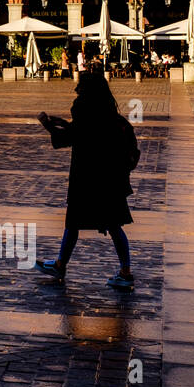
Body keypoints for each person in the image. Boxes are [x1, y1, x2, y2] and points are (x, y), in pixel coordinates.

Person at [35, 70, 139, 291]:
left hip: (88, 178)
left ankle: (63, 265)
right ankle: (124, 271)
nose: (76, 89)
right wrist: (65, 123)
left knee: (75, 222)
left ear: (87, 90)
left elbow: (73, 137)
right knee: (112, 224)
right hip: (109, 179)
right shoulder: (107, 111)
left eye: (79, 86)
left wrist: (49, 126)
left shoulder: (83, 107)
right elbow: (84, 132)